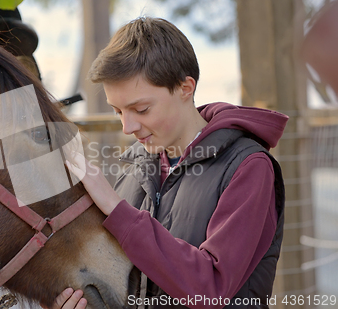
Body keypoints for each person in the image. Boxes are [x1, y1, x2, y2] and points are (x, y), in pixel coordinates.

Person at [48, 16, 288, 309]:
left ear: (185, 88)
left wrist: (115, 208)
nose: (128, 127)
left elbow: (209, 289)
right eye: (118, 112)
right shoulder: (134, 169)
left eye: (141, 109)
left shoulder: (249, 167)